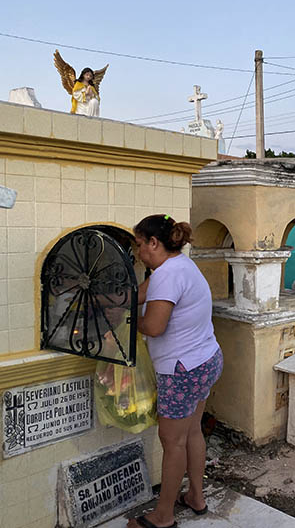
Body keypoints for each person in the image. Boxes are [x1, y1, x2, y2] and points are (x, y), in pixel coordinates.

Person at [128, 214, 223, 528]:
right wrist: (114, 301)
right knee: (191, 431)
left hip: (182, 371)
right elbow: (140, 294)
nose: (138, 253)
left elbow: (154, 327)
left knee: (173, 442)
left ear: (154, 243)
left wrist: (126, 321)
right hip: (206, 360)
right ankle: (196, 497)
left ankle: (163, 516)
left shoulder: (167, 275)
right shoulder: (179, 266)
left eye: (140, 245)